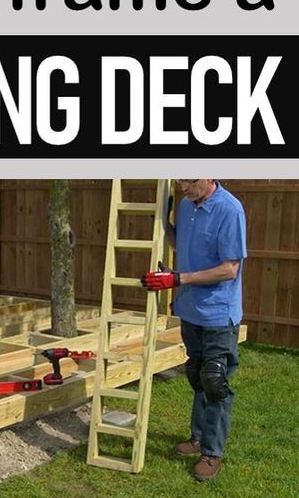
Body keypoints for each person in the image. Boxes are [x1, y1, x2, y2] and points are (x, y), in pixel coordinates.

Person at [141, 179, 247, 483]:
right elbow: (180, 244)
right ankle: (198, 437)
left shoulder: (229, 210)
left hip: (218, 312)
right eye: (179, 180)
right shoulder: (187, 205)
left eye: (189, 180)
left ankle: (212, 452)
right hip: (190, 310)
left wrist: (179, 279)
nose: (183, 186)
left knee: (214, 379)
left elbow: (230, 268)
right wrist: (163, 221)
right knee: (198, 375)